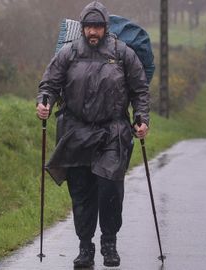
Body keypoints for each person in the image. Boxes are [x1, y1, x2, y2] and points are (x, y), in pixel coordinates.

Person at [36, 1, 150, 268]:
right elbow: (50, 83)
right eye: (89, 27)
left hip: (112, 132)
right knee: (82, 192)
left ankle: (109, 244)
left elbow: (140, 90)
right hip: (76, 131)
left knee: (110, 188)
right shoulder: (69, 53)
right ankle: (85, 248)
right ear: (83, 28)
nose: (93, 32)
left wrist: (141, 118)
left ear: (106, 27)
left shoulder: (123, 54)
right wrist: (44, 102)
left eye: (98, 26)